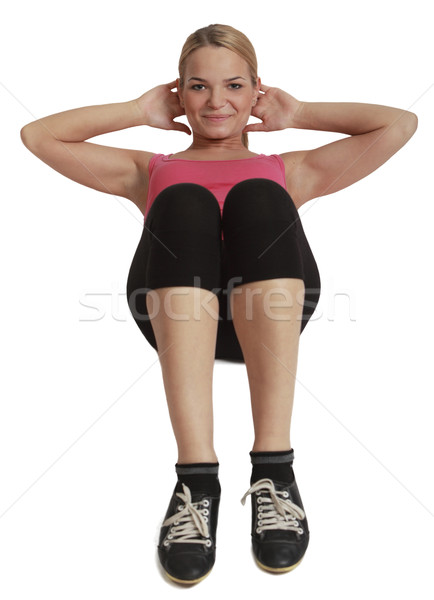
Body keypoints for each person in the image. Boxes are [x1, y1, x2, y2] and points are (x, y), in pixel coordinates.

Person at [20, 23, 417, 586]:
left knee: (260, 195)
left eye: (233, 86)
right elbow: (38, 136)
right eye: (198, 87)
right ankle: (196, 480)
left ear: (257, 91)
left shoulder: (291, 169)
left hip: (270, 312)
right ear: (178, 94)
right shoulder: (148, 169)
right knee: (183, 200)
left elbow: (400, 124)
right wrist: (137, 108)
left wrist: (299, 112)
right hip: (175, 310)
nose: (216, 102)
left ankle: (274, 471)